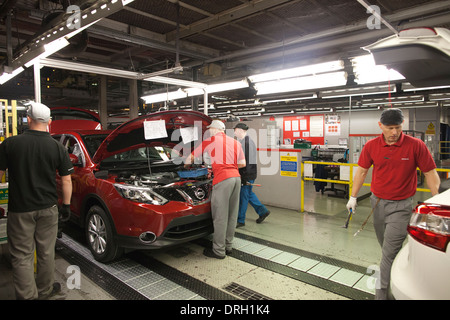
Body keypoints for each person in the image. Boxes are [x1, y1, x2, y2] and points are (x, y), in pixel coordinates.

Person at [346, 108, 440, 300]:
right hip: (377, 204)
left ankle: (381, 296)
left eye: (397, 127)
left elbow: (430, 173)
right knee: (388, 251)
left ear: (402, 125)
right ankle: (399, 274)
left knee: (387, 255)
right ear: (380, 126)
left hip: (402, 206)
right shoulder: (371, 146)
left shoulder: (416, 146)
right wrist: (353, 196)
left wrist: (435, 203)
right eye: (389, 128)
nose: (394, 133)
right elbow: (362, 171)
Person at [0, 102, 73, 300]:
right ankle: (45, 290)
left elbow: (0, 175)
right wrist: (66, 205)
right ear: (49, 122)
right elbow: (66, 179)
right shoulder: (57, 147)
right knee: (46, 252)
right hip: (48, 209)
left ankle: (28, 296)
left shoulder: (10, 144)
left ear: (29, 119)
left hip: (20, 209)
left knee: (22, 255)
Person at [185, 120, 246, 259]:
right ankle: (228, 246)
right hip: (236, 178)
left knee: (220, 216)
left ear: (214, 129)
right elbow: (242, 163)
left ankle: (218, 251)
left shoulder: (210, 141)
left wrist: (184, 166)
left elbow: (190, 158)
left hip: (223, 180)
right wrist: (227, 164)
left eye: (210, 129)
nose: (209, 131)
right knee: (232, 215)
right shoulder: (236, 142)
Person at [233, 122, 270, 227]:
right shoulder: (247, 141)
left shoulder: (246, 143)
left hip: (247, 174)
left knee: (243, 197)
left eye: (235, 130)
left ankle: (241, 220)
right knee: (248, 194)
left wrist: (244, 177)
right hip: (249, 173)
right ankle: (263, 211)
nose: (235, 133)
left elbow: (247, 162)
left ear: (240, 130)